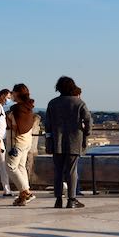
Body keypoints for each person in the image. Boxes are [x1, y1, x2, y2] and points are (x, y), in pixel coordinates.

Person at [45, 76, 91, 209]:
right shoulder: (79, 103)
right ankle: (71, 199)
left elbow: (47, 124)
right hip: (74, 140)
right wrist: (85, 132)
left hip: (57, 141)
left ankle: (58, 199)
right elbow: (88, 120)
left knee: (58, 171)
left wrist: (49, 139)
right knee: (72, 171)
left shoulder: (52, 103)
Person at [6, 84, 36, 206]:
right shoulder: (28, 107)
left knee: (10, 166)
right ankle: (24, 194)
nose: (11, 95)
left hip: (17, 141)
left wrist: (8, 119)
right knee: (21, 167)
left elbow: (14, 127)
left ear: (17, 94)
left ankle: (25, 192)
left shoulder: (16, 109)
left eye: (13, 92)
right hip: (27, 140)